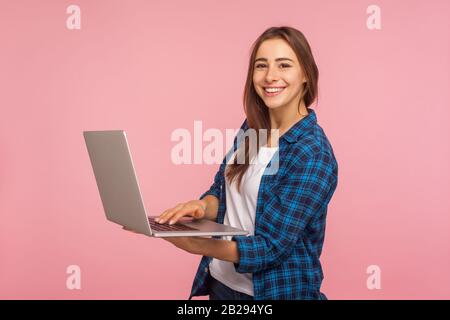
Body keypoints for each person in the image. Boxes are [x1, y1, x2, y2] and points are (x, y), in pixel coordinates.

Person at [130, 26, 338, 300]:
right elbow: (224, 193)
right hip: (221, 286)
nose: (270, 76)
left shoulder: (312, 153)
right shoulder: (253, 129)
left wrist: (199, 244)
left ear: (306, 76)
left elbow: (271, 246)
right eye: (261, 66)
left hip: (272, 294)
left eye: (284, 65)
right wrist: (202, 207)